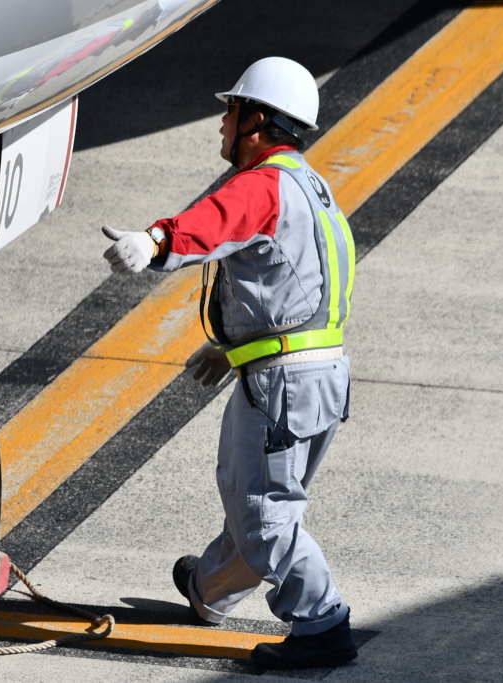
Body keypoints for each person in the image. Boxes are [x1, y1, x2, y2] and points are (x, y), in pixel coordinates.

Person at [101, 56, 357, 670]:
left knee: (263, 511)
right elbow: (310, 283)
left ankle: (323, 623)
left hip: (282, 383)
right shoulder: (312, 187)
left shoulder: (262, 184)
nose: (222, 120)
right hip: (317, 373)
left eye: (231, 110)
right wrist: (234, 345)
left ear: (258, 121)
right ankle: (211, 591)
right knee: (260, 498)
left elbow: (212, 224)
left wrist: (155, 240)